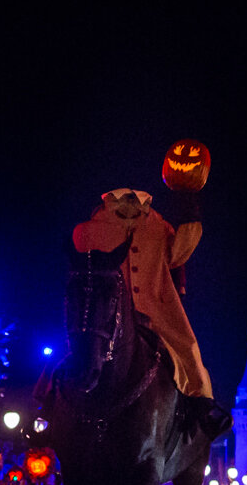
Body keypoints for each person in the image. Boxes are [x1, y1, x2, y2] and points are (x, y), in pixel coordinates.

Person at [71, 187, 230, 436]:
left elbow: (179, 253)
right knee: (74, 350)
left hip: (157, 309)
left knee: (186, 350)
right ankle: (45, 407)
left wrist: (190, 211)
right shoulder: (88, 231)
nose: (130, 206)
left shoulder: (161, 229)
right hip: (108, 312)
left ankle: (202, 407)